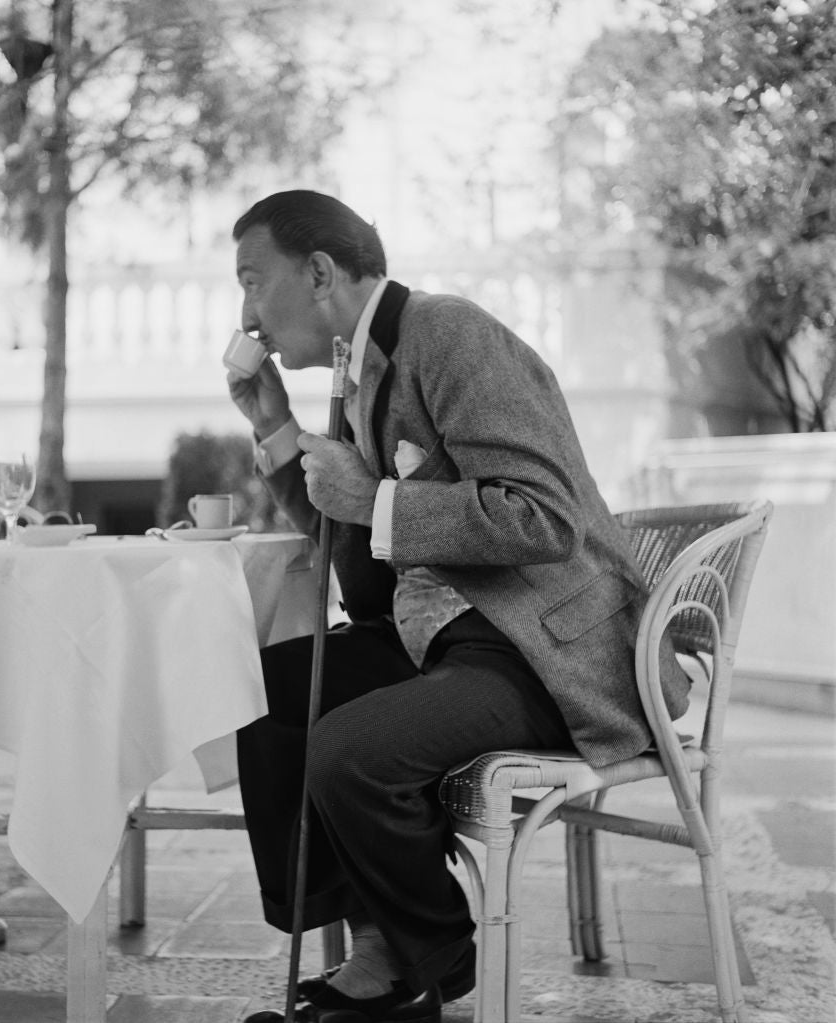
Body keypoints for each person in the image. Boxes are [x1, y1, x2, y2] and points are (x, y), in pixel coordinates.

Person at [226, 190, 690, 1023]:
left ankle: (425, 957)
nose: (247, 314)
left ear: (321, 272)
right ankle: (382, 947)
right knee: (262, 692)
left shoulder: (447, 333)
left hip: (542, 649)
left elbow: (541, 517)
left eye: (254, 281)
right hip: (449, 639)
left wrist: (377, 498)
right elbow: (362, 561)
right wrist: (278, 434)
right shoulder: (359, 376)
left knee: (349, 750)